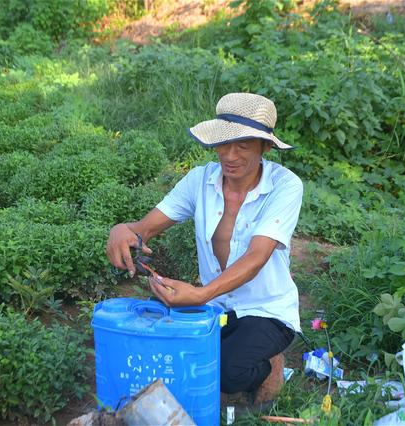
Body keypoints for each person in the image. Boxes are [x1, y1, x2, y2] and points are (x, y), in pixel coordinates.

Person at [106, 92, 303, 408]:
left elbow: (256, 258)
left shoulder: (285, 186)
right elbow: (144, 228)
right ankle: (227, 350)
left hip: (266, 311)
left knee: (226, 372)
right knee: (169, 350)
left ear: (265, 147)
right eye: (224, 143)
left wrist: (199, 295)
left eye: (244, 145)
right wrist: (121, 232)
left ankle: (270, 366)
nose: (230, 155)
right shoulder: (200, 181)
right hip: (217, 306)